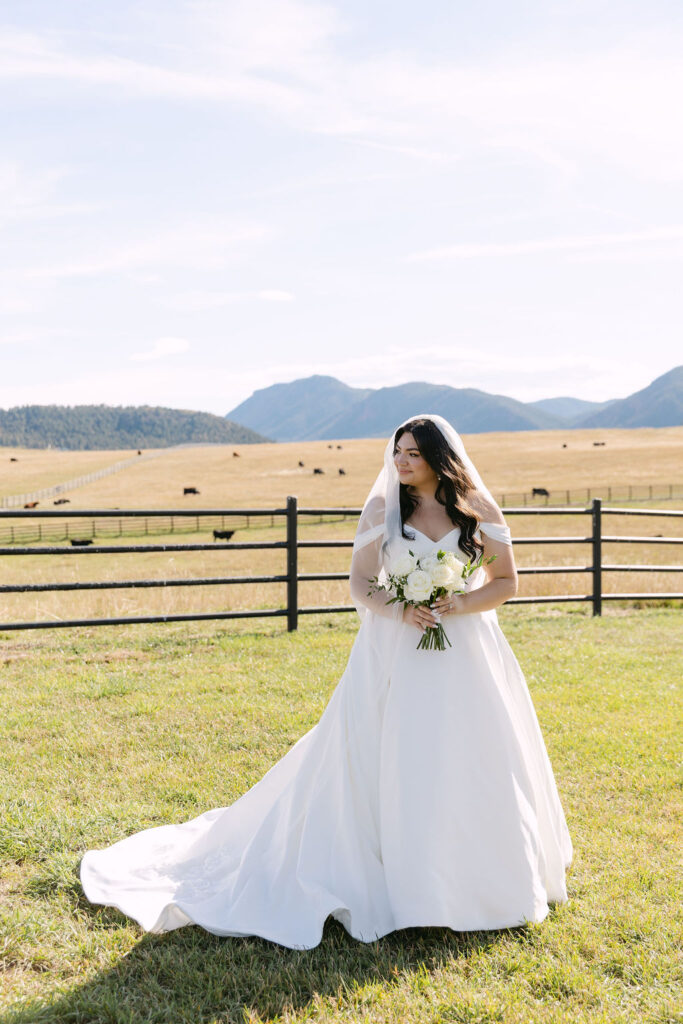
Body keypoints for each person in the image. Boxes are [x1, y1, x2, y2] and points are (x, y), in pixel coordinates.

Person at [81, 413, 572, 949]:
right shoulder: (384, 509)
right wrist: (403, 610)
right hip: (397, 650)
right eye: (397, 452)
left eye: (411, 453)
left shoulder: (479, 508)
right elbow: (361, 583)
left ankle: (479, 879)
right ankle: (399, 880)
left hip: (468, 654)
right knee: (390, 754)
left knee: (470, 755)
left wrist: (460, 603)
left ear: (438, 457)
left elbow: (506, 582)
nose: (400, 461)